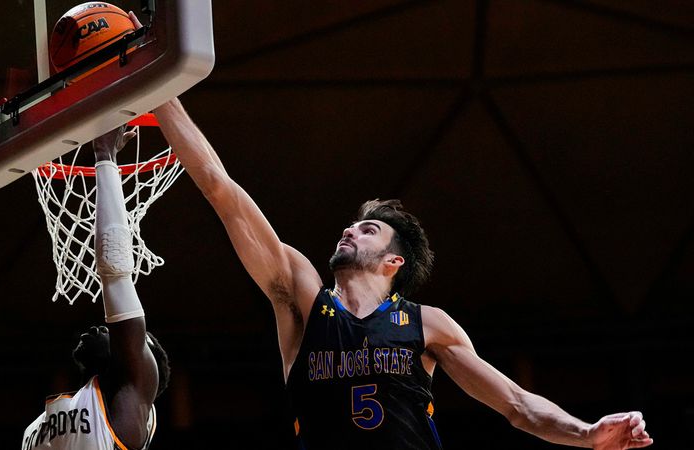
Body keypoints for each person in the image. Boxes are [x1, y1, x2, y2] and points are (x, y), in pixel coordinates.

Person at [151, 98, 653, 450]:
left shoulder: (428, 325)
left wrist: (586, 433)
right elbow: (221, 189)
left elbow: (519, 405)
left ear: (395, 262)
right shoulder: (301, 297)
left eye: (367, 230)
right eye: (350, 226)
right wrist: (163, 88)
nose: (349, 231)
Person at [0, 127, 170, 450]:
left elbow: (116, 269)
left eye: (120, 336)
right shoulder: (40, 426)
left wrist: (105, 157)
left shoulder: (131, 396)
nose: (103, 327)